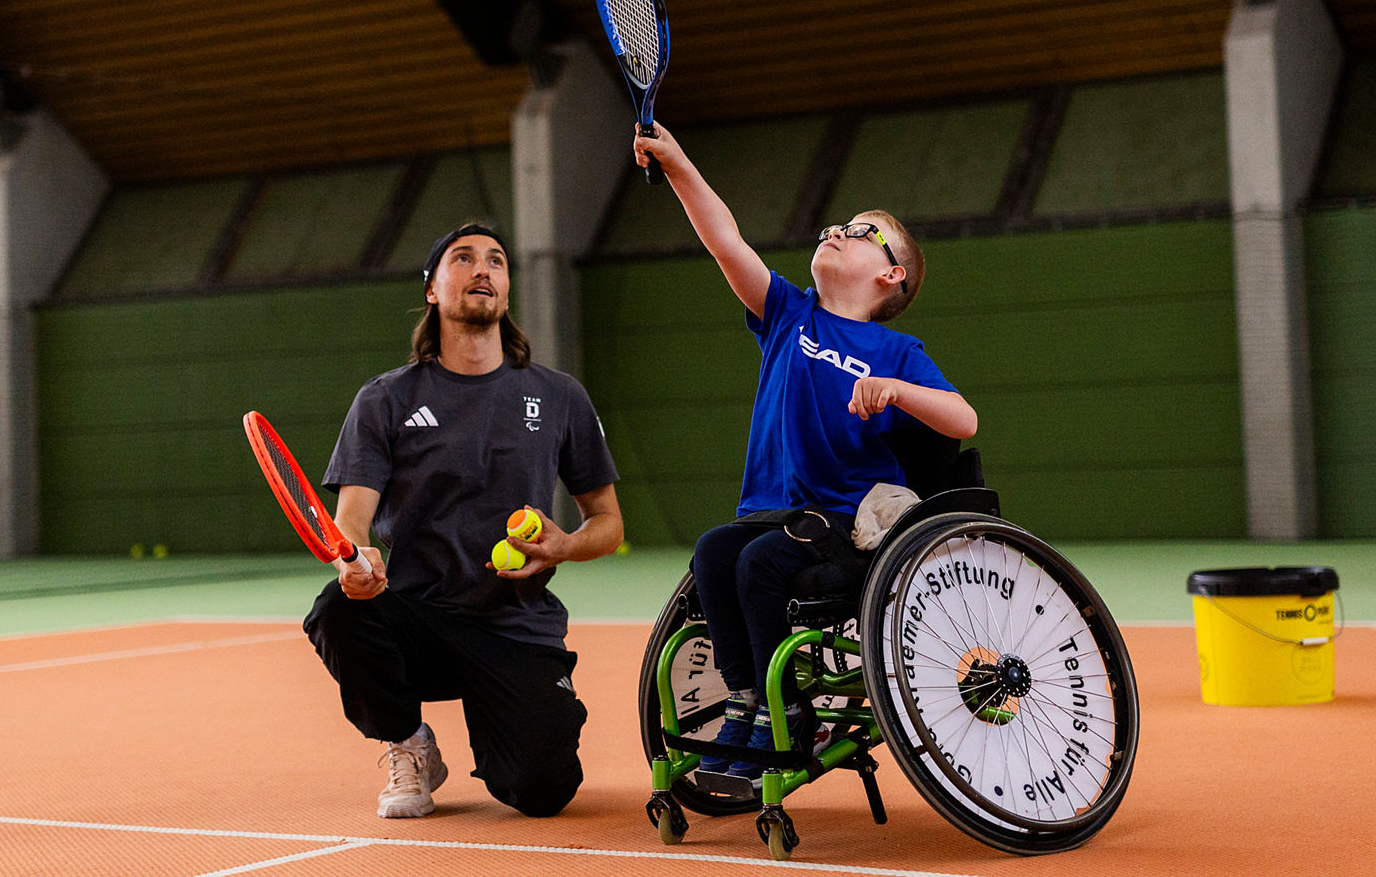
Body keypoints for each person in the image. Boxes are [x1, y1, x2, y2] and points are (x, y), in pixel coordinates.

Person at [633, 125, 977, 779]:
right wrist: (677, 161)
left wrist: (898, 390)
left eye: (861, 231)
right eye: (837, 224)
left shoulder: (897, 352)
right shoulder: (788, 314)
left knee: (760, 566)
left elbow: (962, 417)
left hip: (838, 524)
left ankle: (782, 711)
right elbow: (723, 238)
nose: (837, 231)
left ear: (891, 274)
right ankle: (743, 700)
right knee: (713, 551)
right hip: (768, 512)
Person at [302, 223, 624, 819]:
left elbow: (607, 523)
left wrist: (563, 546)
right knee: (338, 609)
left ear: (506, 287)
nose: (484, 269)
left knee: (541, 792)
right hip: (419, 618)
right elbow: (351, 520)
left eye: (497, 261)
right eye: (464, 259)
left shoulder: (560, 397)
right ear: (431, 289)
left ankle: (513, 719)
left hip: (515, 626)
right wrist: (357, 562)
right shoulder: (385, 399)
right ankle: (408, 741)